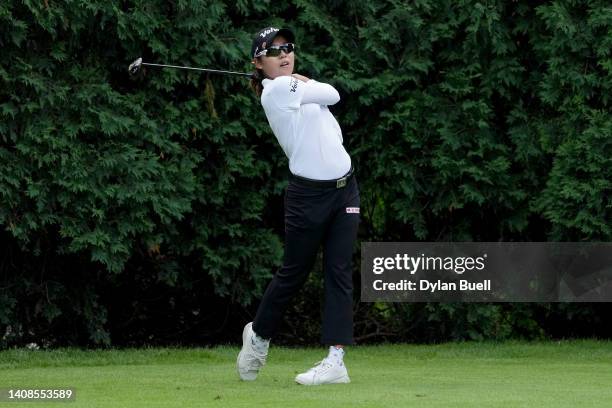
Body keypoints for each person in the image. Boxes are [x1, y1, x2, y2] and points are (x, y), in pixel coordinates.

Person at [236, 27, 360, 386]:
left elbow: (328, 97)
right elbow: (333, 94)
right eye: (274, 52)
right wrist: (305, 83)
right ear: (258, 63)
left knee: (338, 273)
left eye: (287, 48)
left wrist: (304, 83)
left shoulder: (294, 86)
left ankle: (336, 360)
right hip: (308, 197)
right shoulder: (275, 91)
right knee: (293, 273)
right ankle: (258, 337)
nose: (285, 55)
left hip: (345, 190)